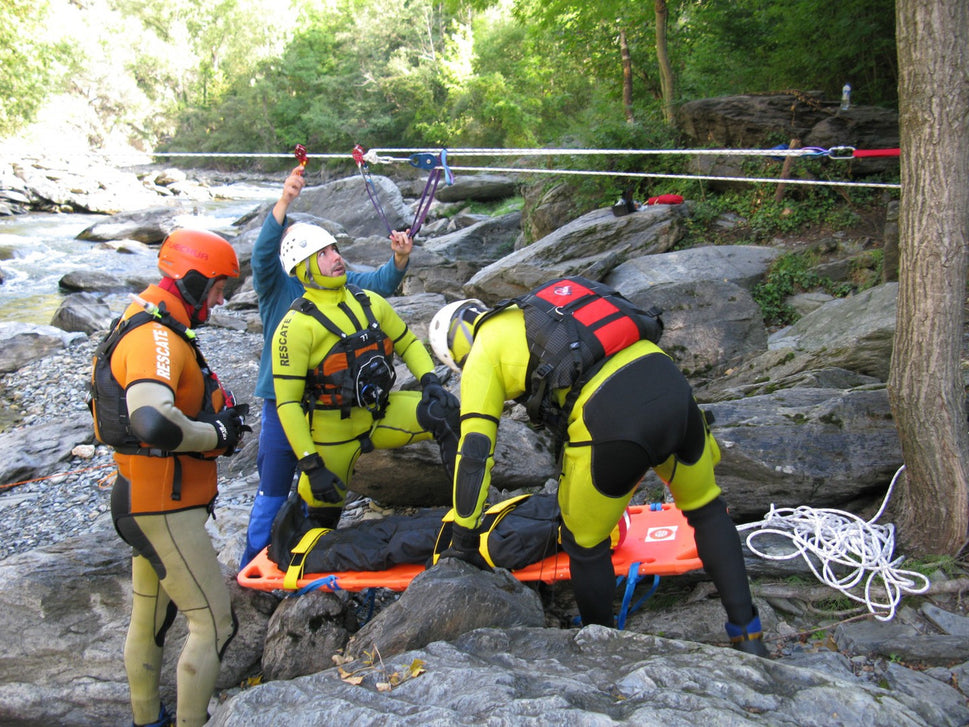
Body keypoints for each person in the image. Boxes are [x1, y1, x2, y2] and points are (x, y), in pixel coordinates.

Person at [427, 278, 770, 657]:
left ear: (455, 355)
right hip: (667, 382)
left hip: (608, 419)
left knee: (585, 544)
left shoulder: (480, 356)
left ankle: (603, 651)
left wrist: (464, 537)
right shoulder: (537, 306)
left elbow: (474, 451)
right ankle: (749, 635)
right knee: (706, 509)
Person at [101, 229, 251, 727]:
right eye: (216, 287)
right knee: (213, 623)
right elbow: (153, 422)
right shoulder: (155, 336)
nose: (220, 298)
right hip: (162, 507)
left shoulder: (150, 318)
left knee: (152, 618)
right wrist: (218, 434)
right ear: (191, 280)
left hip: (140, 496)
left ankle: (148, 719)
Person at [239, 166, 413, 567]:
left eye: (327, 250)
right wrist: (284, 201)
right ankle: (252, 564)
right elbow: (262, 255)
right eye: (315, 251)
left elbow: (377, 284)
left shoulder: (339, 283)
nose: (329, 258)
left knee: (322, 490)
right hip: (283, 405)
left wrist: (399, 259)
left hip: (332, 408)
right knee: (273, 490)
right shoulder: (276, 286)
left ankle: (310, 557)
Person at [270, 220, 459, 534]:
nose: (336, 258)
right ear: (302, 270)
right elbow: (288, 403)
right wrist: (311, 464)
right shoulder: (294, 328)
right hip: (333, 437)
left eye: (334, 249)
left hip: (382, 414)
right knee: (321, 520)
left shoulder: (368, 301)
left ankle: (466, 513)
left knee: (449, 413)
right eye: (323, 254)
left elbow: (408, 342)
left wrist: (430, 381)